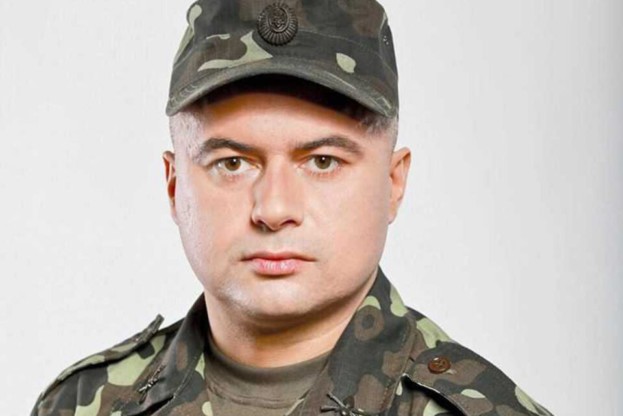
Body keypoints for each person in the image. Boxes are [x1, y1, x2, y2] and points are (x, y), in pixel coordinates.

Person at [31, 1, 554, 415]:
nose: (274, 209)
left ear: (393, 183)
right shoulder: (81, 405)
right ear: (174, 187)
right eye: (233, 163)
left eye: (323, 161)